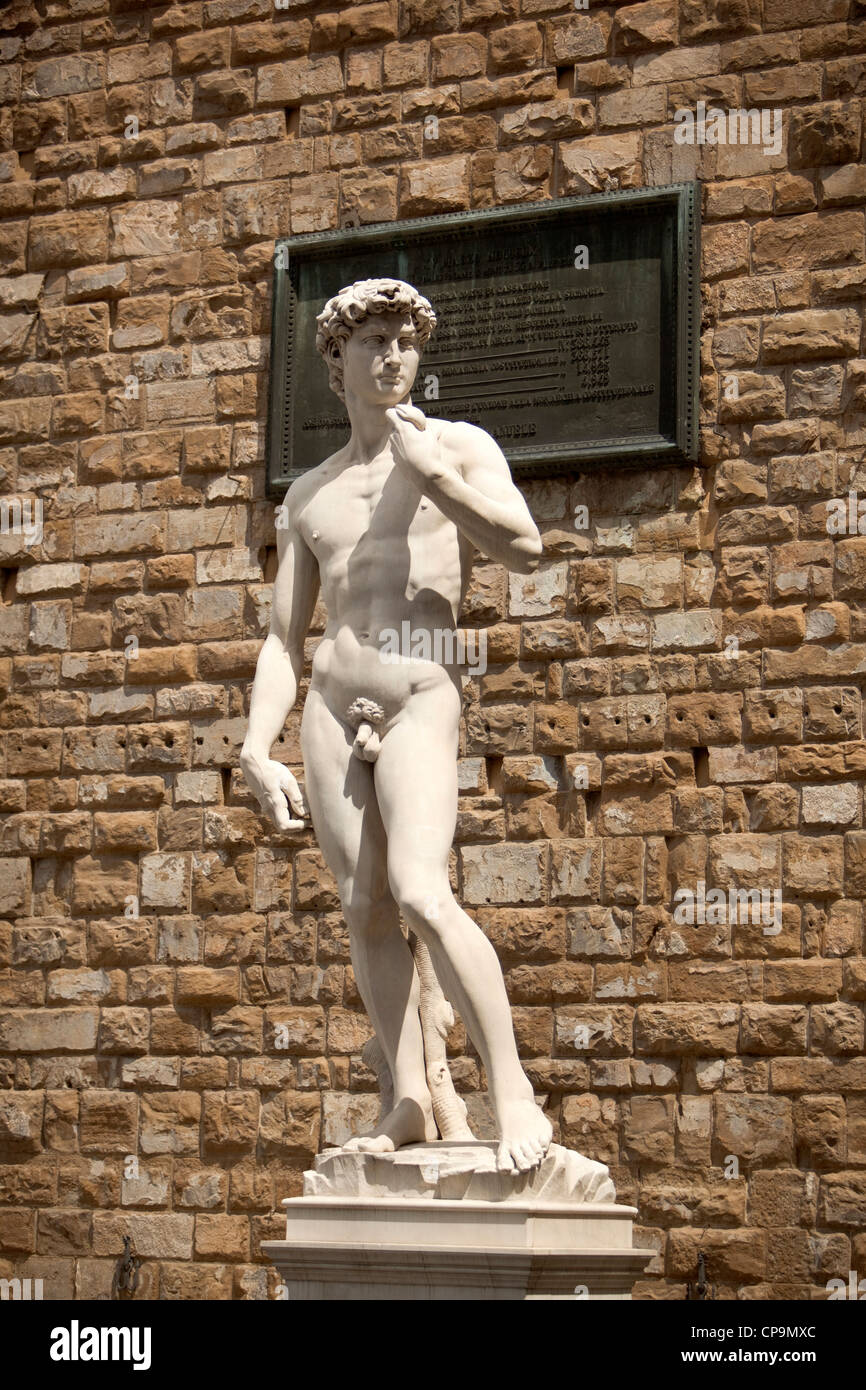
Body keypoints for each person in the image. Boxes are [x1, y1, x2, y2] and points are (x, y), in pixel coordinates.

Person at [241, 278, 552, 1174]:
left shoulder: (456, 445)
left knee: (420, 888)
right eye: (372, 340)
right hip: (334, 704)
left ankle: (513, 1088)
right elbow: (280, 639)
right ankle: (409, 1097)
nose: (391, 355)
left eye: (404, 340)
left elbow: (525, 549)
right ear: (334, 362)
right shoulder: (310, 494)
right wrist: (255, 747)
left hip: (420, 690)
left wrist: (439, 483)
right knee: (363, 904)